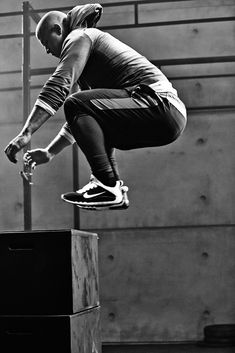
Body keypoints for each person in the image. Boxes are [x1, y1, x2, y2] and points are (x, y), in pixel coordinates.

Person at [4, 3, 187, 211]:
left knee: (76, 103)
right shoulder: (88, 62)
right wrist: (49, 152)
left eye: (47, 42)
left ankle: (105, 184)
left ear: (58, 30)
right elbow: (82, 120)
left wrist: (26, 132)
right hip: (165, 117)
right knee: (91, 113)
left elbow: (60, 84)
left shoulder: (80, 36)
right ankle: (112, 188)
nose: (47, 50)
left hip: (159, 104)